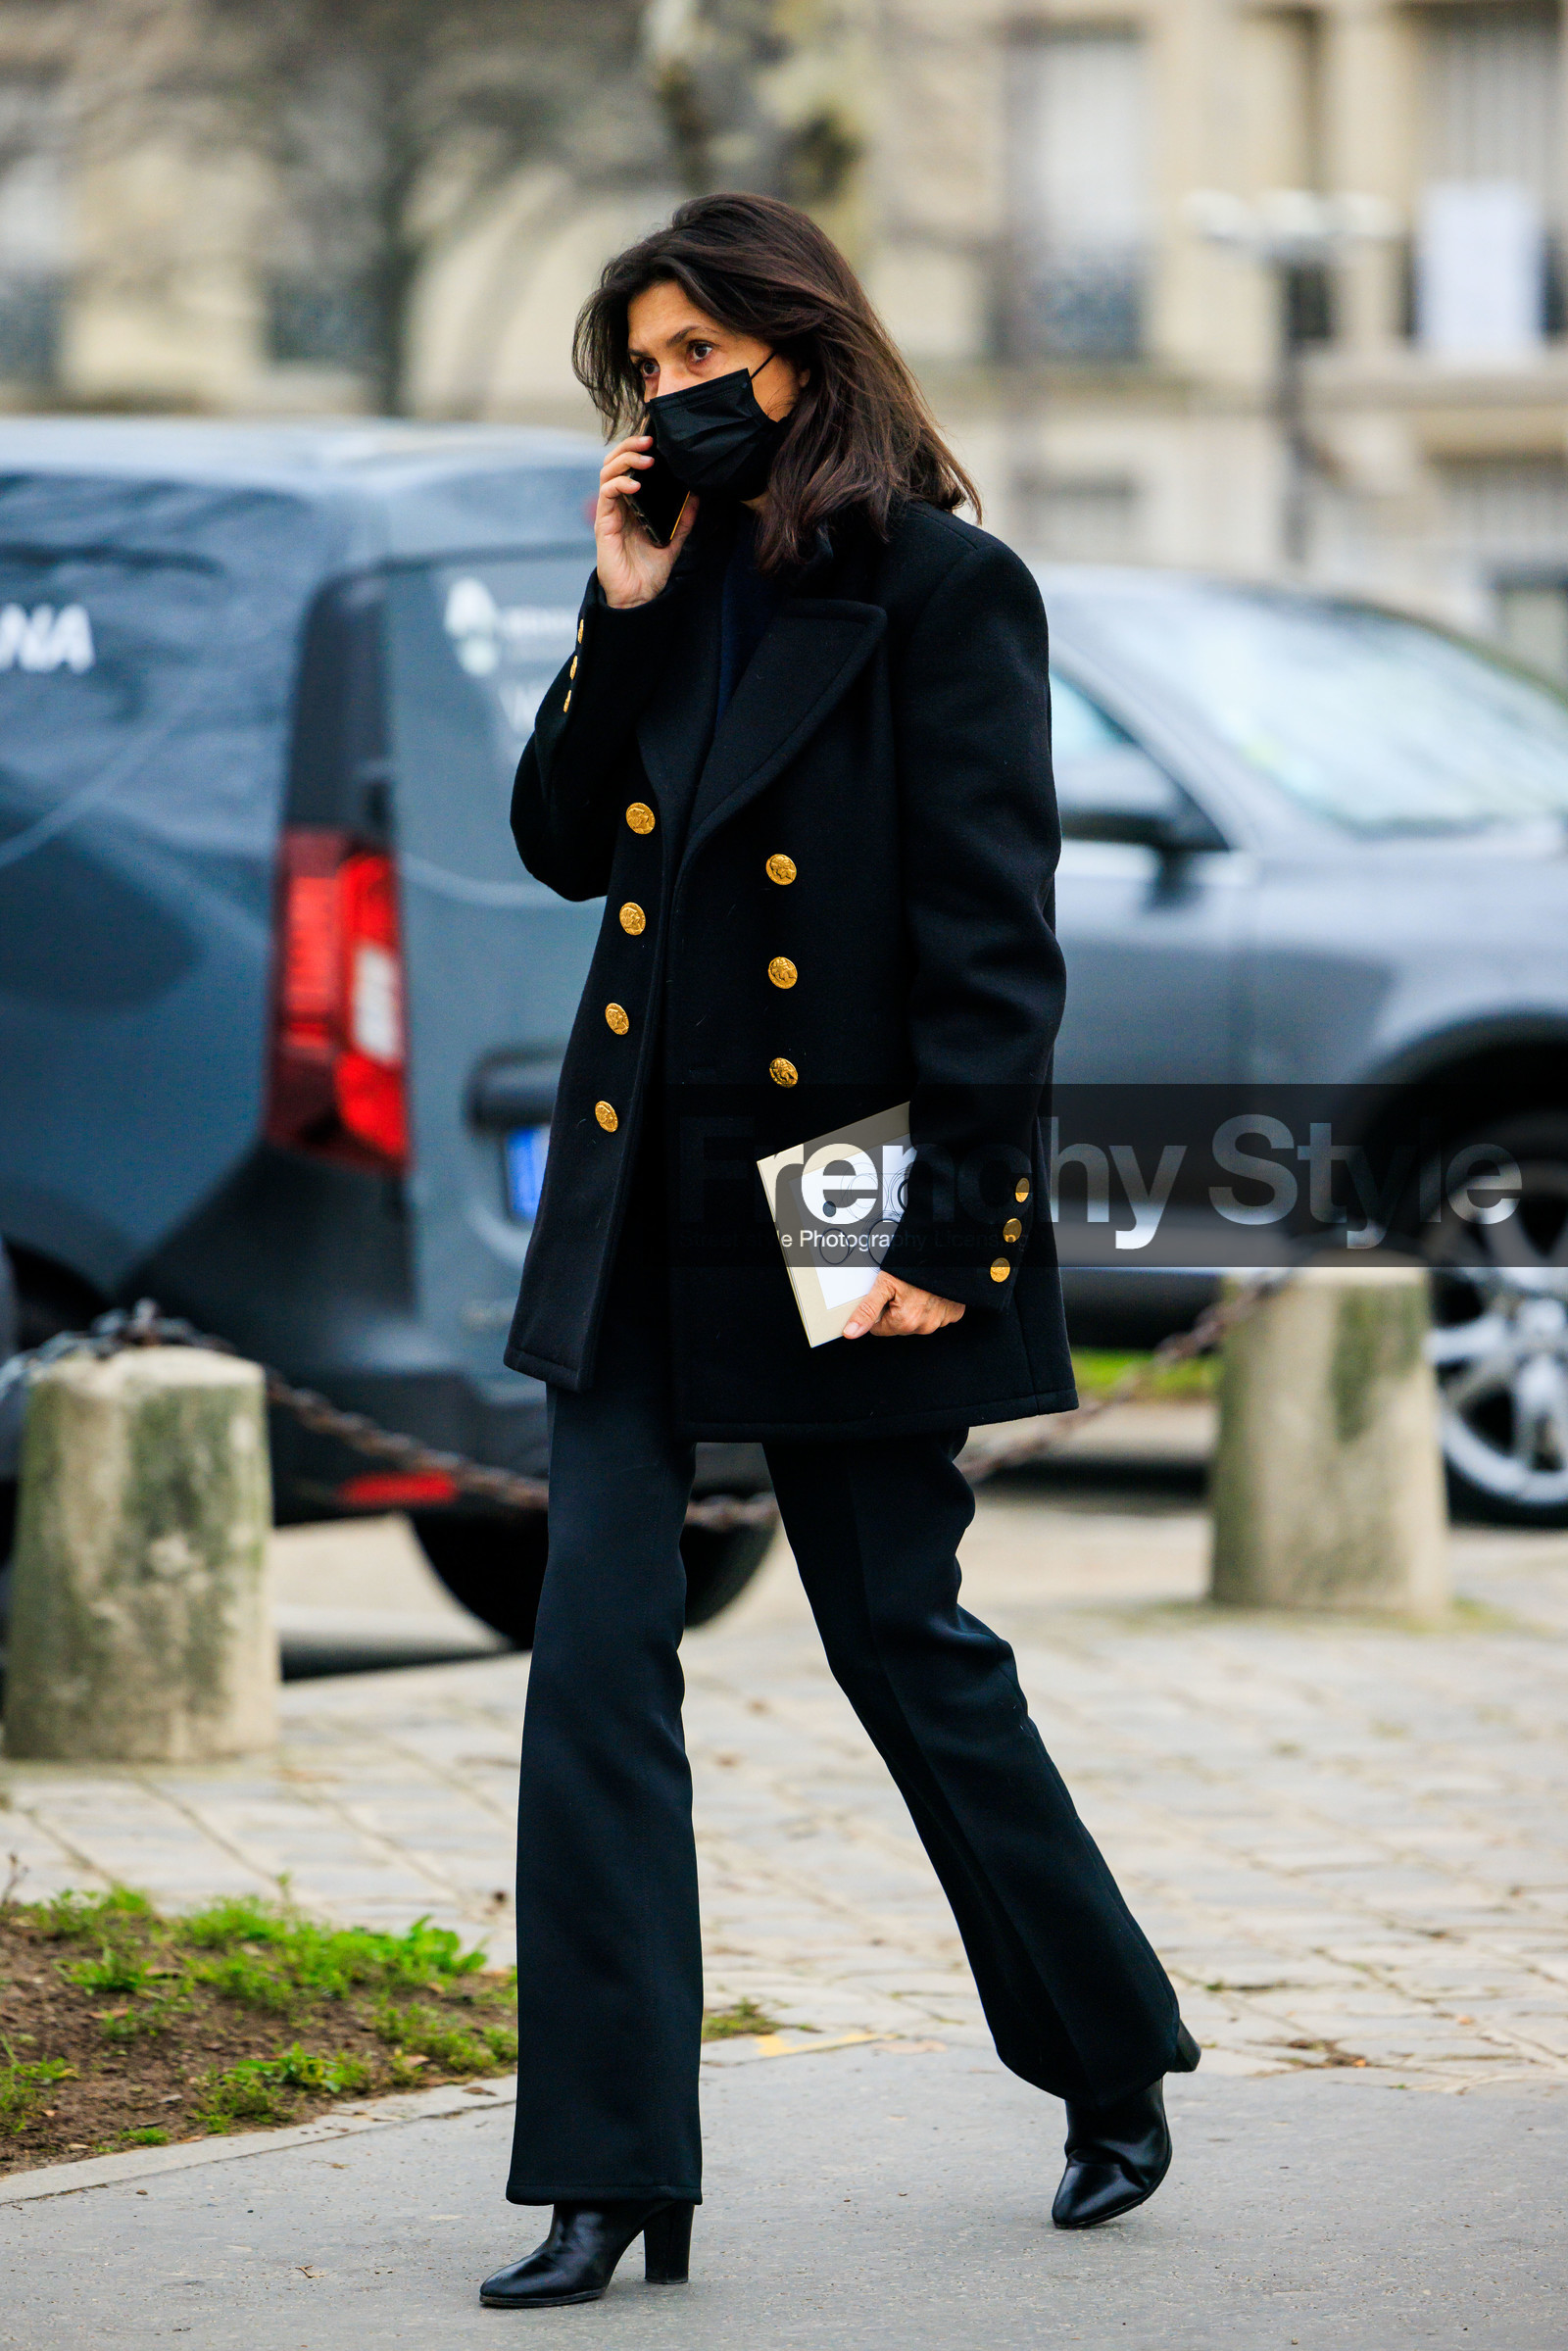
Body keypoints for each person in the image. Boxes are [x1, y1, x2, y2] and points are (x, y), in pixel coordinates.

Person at [478, 191, 1198, 2315]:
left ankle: (1100, 2054)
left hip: (844, 1178)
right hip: (636, 1190)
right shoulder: (664, 580)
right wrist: (612, 613)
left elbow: (993, 946)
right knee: (592, 1665)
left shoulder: (945, 590)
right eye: (648, 373)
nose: (677, 400)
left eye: (706, 358)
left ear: (805, 348)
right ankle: (607, 2172)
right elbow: (550, 845)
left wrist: (955, 1228)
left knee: (901, 1646)